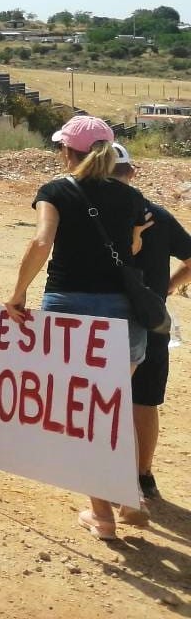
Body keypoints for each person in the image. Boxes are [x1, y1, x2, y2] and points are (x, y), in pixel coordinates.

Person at [5, 117, 150, 539]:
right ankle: (130, 495)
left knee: (81, 413)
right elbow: (133, 246)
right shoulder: (131, 195)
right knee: (114, 407)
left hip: (70, 306)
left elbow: (42, 242)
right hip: (123, 311)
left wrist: (18, 293)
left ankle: (102, 515)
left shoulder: (55, 191)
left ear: (68, 152)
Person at [113, 143, 191, 504]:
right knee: (145, 401)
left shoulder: (92, 213)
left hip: (105, 316)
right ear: (133, 172)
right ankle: (143, 476)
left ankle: (101, 474)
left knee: (100, 396)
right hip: (151, 316)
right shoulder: (157, 215)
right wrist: (166, 289)